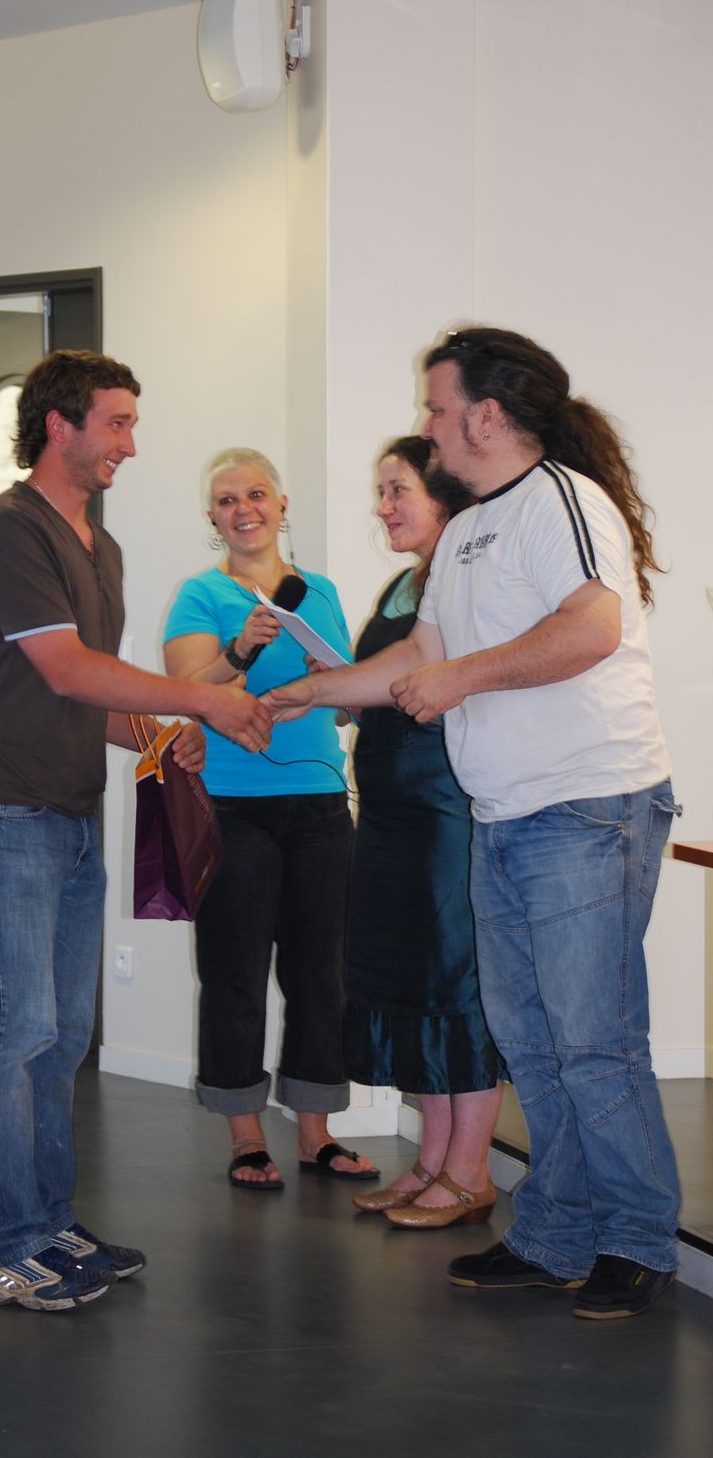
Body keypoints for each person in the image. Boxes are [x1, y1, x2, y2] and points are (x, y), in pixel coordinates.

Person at [264, 328, 680, 1320]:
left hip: (586, 807)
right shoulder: (465, 534)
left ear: (485, 417)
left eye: (436, 406)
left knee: (593, 1043)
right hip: (505, 815)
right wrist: (306, 691)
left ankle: (635, 1237)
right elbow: (418, 655)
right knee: (530, 1045)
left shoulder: (562, 500)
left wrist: (462, 677)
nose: (426, 423)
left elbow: (591, 625)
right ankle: (554, 1234)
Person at [0, 351, 271, 1312]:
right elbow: (67, 668)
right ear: (59, 425)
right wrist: (202, 703)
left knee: (63, 1034)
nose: (130, 443)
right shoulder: (7, 528)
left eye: (130, 423)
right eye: (116, 423)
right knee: (12, 1033)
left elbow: (92, 695)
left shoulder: (101, 547)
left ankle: (47, 1224)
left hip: (69, 813)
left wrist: (158, 734)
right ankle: (1, 1249)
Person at [163, 448, 376, 1189]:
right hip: (233, 804)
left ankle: (316, 1133)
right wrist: (240, 649)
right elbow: (186, 693)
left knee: (322, 971)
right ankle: (246, 1135)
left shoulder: (321, 591)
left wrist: (333, 681)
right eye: (227, 500)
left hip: (320, 801)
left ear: (281, 506)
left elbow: (350, 702)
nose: (243, 509)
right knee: (236, 971)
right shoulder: (201, 594)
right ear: (212, 517)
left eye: (256, 494)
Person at [347, 437, 504, 1228]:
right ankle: (432, 1160)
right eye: (381, 492)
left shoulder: (470, 576)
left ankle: (470, 1171)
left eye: (397, 490)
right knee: (414, 987)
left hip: (445, 812)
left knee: (454, 985)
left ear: (443, 494)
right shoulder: (405, 584)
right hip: (389, 817)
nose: (384, 507)